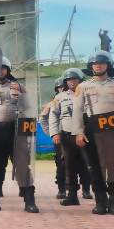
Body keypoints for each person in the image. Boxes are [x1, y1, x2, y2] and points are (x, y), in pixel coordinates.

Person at [0, 57, 39, 213]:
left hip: (16, 132)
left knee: (22, 165)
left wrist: (28, 132)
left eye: (3, 68)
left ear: (7, 70)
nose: (0, 71)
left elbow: (29, 108)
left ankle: (30, 201)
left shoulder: (19, 87)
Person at [73, 51, 114, 214]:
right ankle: (100, 202)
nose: (98, 65)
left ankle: (113, 201)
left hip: (112, 129)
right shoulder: (83, 87)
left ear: (108, 65)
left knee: (113, 165)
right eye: (94, 63)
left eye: (102, 63)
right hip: (92, 128)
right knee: (95, 166)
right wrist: (78, 132)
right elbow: (77, 111)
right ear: (90, 67)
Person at [49, 68, 92, 205]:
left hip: (84, 136)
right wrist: (55, 133)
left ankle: (88, 191)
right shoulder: (59, 97)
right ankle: (72, 195)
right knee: (69, 166)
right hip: (66, 137)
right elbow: (53, 115)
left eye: (74, 79)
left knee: (88, 165)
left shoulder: (87, 93)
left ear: (80, 80)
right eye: (68, 80)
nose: (71, 82)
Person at [39, 78, 67, 199]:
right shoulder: (52, 103)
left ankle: (86, 189)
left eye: (64, 87)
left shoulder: (76, 98)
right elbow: (43, 118)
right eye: (60, 88)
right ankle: (62, 189)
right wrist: (52, 133)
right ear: (56, 90)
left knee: (82, 163)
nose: (62, 90)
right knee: (61, 164)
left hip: (76, 135)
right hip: (60, 137)